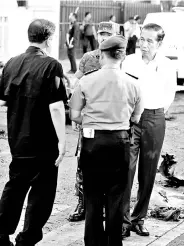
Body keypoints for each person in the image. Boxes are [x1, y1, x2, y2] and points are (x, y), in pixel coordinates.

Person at [0, 19, 67, 246]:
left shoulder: (12, 62)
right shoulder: (52, 65)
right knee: (41, 194)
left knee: (14, 188)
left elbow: (2, 102)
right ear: (49, 38)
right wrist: (62, 141)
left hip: (18, 139)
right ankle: (27, 239)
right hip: (44, 142)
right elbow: (56, 107)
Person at [69, 35, 143, 246]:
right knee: (116, 197)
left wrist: (92, 121)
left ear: (101, 55)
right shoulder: (134, 83)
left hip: (93, 142)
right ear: (123, 57)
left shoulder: (86, 80)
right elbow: (136, 118)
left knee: (92, 196)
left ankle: (93, 243)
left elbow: (74, 115)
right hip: (120, 142)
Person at [121, 23, 177, 238]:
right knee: (126, 169)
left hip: (154, 117)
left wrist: (156, 112)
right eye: (141, 39)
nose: (143, 44)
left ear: (159, 43)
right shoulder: (129, 61)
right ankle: (123, 221)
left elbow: (169, 94)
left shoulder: (166, 65)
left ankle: (139, 218)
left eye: (149, 41)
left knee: (148, 171)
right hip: (130, 119)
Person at [68, 21, 120, 222]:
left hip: (112, 120)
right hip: (89, 119)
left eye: (108, 34)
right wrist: (75, 112)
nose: (104, 37)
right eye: (101, 34)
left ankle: (107, 207)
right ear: (97, 36)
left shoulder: (119, 59)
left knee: (110, 165)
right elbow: (77, 83)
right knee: (84, 162)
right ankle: (82, 204)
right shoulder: (89, 58)